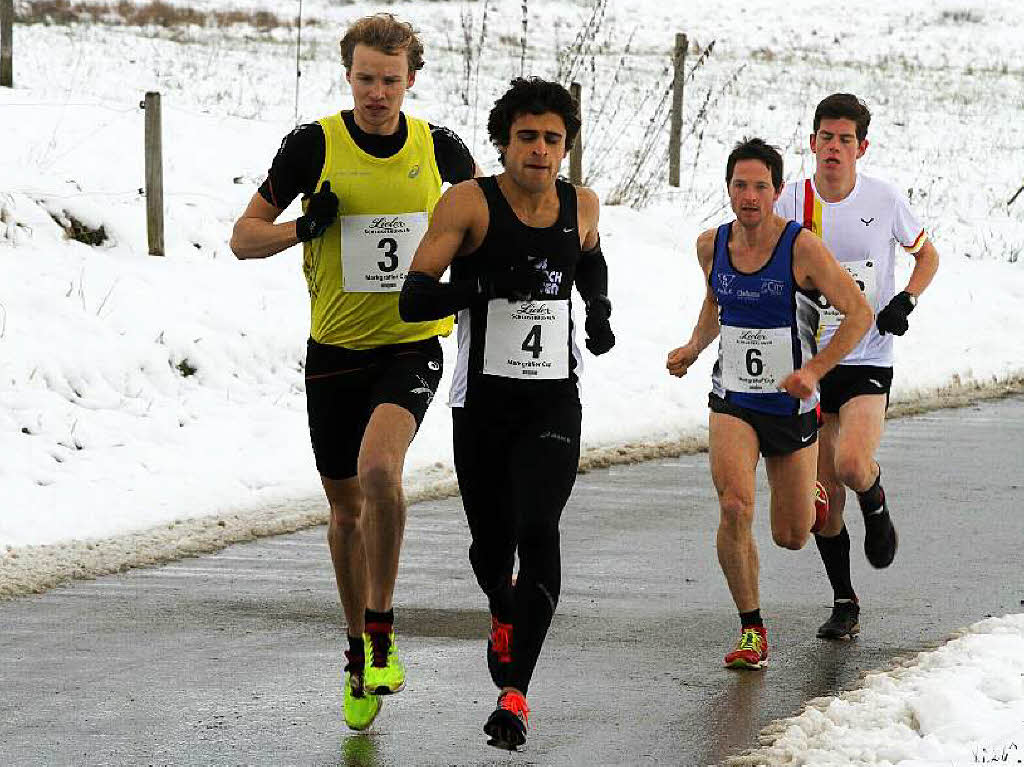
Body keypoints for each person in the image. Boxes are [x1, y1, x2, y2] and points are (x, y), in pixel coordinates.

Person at [229, 13, 478, 731]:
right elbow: (242, 239)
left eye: (390, 81)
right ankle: (355, 651)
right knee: (344, 509)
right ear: (349, 75)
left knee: (379, 471)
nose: (377, 93)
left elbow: (491, 216)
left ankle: (381, 626)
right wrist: (302, 229)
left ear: (411, 80)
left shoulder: (439, 148)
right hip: (335, 353)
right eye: (366, 79)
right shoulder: (314, 145)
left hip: (412, 345)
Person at [398, 77, 614, 749]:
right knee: (494, 546)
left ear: (565, 145)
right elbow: (413, 298)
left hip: (553, 399)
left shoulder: (581, 203)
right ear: (505, 140)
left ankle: (514, 694)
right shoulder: (468, 203)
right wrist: (488, 286)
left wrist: (600, 312)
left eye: (553, 139)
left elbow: (590, 258)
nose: (541, 151)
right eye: (528, 137)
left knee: (538, 527)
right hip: (483, 404)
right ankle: (500, 599)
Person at [666, 138, 872, 670]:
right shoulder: (710, 244)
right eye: (740, 185)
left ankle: (814, 492)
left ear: (779, 191)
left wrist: (814, 371)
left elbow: (858, 314)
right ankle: (752, 629)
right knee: (734, 504)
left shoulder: (801, 248)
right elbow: (716, 302)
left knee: (792, 535)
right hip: (732, 397)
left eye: (761, 186)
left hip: (791, 405)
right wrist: (693, 347)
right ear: (729, 189)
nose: (750, 196)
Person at [776, 94, 940, 641]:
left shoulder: (884, 199)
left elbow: (928, 255)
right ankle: (844, 600)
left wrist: (906, 301)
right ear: (813, 141)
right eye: (827, 137)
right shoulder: (790, 202)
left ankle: (877, 499)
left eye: (846, 140)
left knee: (851, 464)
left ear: (861, 147)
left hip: (869, 355)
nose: (835, 148)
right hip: (813, 364)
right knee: (823, 504)